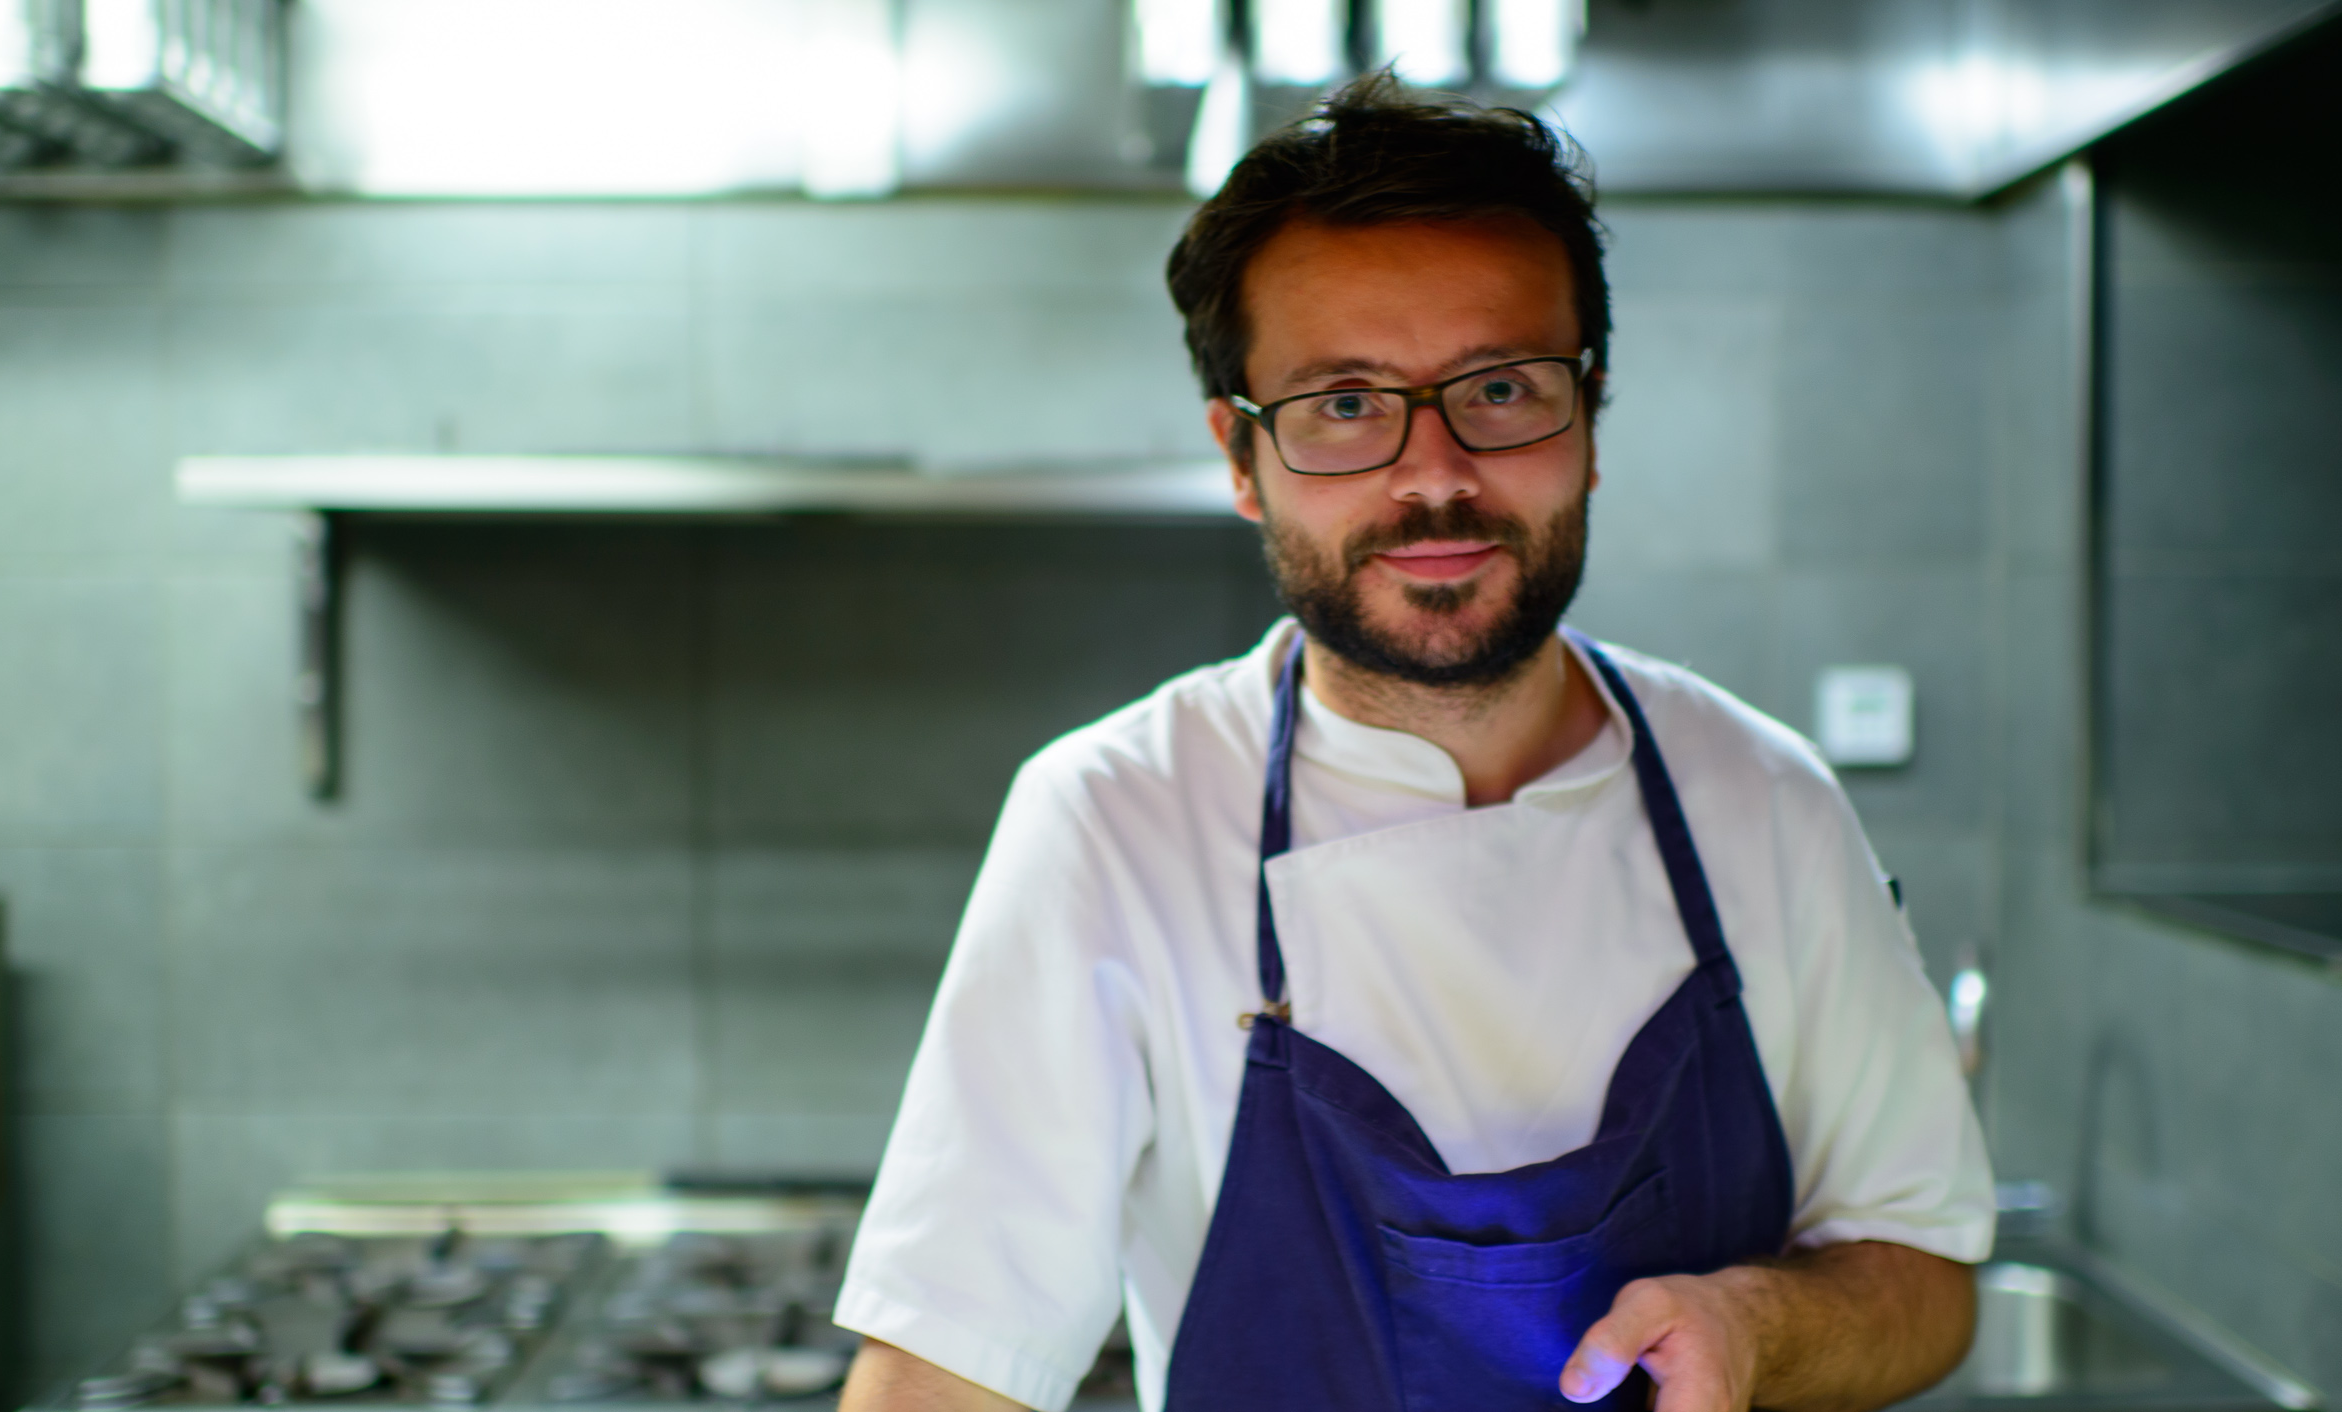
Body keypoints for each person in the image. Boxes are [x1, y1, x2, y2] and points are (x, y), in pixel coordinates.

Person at [832, 74, 1992, 1412]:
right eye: (1344, 405)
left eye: (1499, 387)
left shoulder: (1767, 798)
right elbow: (943, 1371)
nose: (1432, 473)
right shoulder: (1116, 817)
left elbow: (1923, 1270)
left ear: (1590, 418)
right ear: (1239, 456)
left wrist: (1757, 1326)